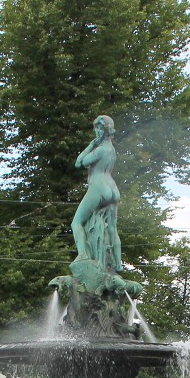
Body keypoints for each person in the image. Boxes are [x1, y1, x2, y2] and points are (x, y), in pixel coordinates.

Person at [71, 115, 124, 271]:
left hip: (99, 187)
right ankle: (118, 264)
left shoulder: (100, 150)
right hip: (112, 188)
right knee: (112, 228)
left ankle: (83, 256)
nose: (96, 131)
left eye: (98, 128)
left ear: (104, 130)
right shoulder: (112, 150)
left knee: (76, 222)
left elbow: (79, 162)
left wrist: (89, 146)